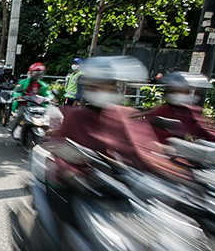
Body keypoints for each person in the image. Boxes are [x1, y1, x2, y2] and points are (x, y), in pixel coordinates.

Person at [50, 56, 187, 182]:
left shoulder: (126, 115)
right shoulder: (76, 118)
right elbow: (60, 151)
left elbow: (145, 152)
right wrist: (72, 175)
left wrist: (179, 175)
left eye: (108, 86)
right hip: (85, 187)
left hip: (125, 186)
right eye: (96, 87)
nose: (103, 91)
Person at [145, 71, 215, 145]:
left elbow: (208, 132)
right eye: (177, 91)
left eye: (185, 91)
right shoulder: (160, 112)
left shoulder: (191, 113)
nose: (181, 94)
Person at [9, 62, 51, 136]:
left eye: (40, 73)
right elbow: (16, 91)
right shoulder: (23, 82)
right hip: (25, 105)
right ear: (31, 73)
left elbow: (47, 94)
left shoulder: (43, 85)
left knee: (48, 120)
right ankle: (15, 132)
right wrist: (19, 96)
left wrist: (50, 99)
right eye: (36, 73)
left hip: (39, 107)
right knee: (19, 116)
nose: (38, 75)